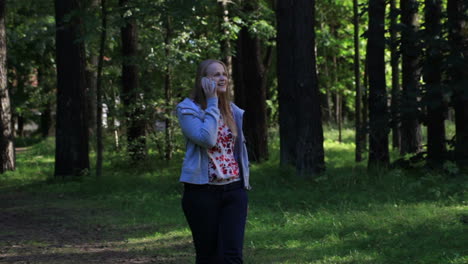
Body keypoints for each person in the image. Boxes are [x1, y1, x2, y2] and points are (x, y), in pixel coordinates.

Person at [176, 59, 251, 264]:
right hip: (202, 193)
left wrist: (243, 186)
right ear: (202, 80)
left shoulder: (233, 111)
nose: (222, 78)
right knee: (209, 256)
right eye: (215, 75)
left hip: (234, 191)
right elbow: (207, 139)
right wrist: (211, 103)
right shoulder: (187, 109)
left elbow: (237, 152)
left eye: (224, 74)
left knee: (233, 255)